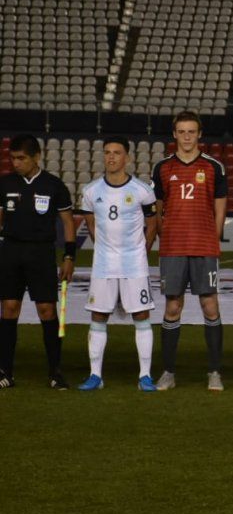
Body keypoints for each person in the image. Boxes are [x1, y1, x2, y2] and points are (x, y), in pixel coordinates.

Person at [151, 111, 227, 391]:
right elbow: (157, 207)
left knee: (210, 305)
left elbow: (220, 206)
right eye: (181, 132)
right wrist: (163, 233)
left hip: (204, 245)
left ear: (199, 134)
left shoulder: (213, 167)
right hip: (173, 247)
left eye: (191, 132)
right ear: (174, 134)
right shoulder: (162, 167)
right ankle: (168, 372)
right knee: (173, 307)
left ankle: (214, 372)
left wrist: (214, 235)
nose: (186, 137)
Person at [77, 137, 159, 391]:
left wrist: (140, 251)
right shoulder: (91, 191)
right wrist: (105, 249)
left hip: (134, 264)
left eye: (117, 153)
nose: (111, 157)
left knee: (142, 316)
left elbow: (153, 224)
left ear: (127, 158)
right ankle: (95, 376)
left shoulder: (142, 190)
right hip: (104, 264)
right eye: (107, 153)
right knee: (98, 316)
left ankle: (145, 376)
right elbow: (92, 226)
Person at [0, 134, 75, 389]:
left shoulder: (54, 185)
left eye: (21, 158)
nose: (16, 163)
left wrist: (69, 256)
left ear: (36, 157)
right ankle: (5, 371)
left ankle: (55, 372)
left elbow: (67, 223)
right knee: (9, 308)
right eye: (13, 158)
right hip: (10, 252)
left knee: (47, 311)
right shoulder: (5, 183)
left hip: (42, 254)